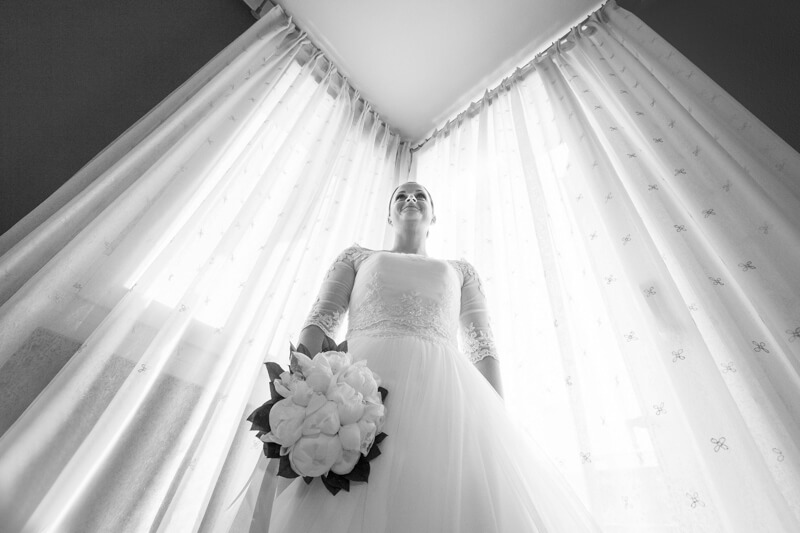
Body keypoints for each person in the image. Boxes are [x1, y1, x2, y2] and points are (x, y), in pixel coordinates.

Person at [266, 182, 603, 532]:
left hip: (443, 397)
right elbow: (321, 318)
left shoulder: (461, 270)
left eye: (420, 195)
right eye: (401, 195)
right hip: (360, 392)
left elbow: (481, 344)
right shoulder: (357, 257)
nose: (411, 198)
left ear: (433, 215)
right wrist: (301, 394)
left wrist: (497, 417)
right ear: (388, 213)